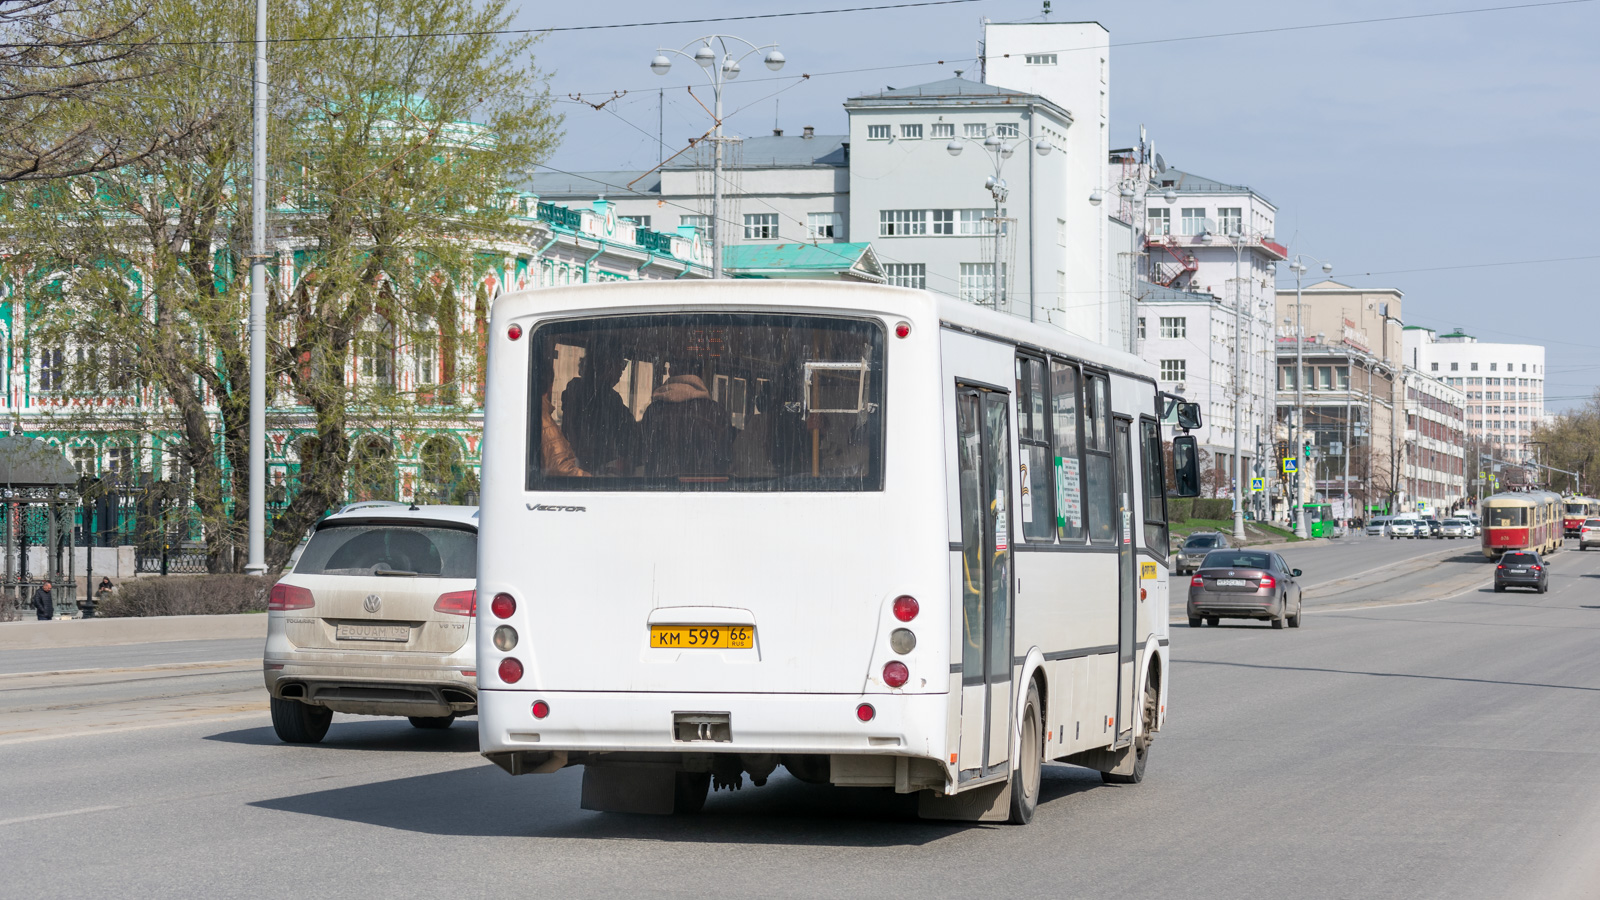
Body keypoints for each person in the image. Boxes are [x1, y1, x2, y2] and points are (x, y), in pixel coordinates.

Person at [639, 373, 733, 478]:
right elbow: (726, 458)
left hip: (658, 486)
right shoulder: (715, 412)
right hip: (706, 486)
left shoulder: (654, 410)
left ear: (670, 370)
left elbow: (642, 453)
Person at [561, 351, 636, 474]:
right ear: (606, 367)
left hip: (579, 463)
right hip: (594, 464)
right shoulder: (609, 398)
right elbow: (628, 428)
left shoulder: (577, 390)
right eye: (620, 364)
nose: (622, 371)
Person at [538, 350, 588, 478]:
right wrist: (595, 480)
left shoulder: (536, 413)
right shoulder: (544, 420)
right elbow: (561, 468)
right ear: (550, 386)